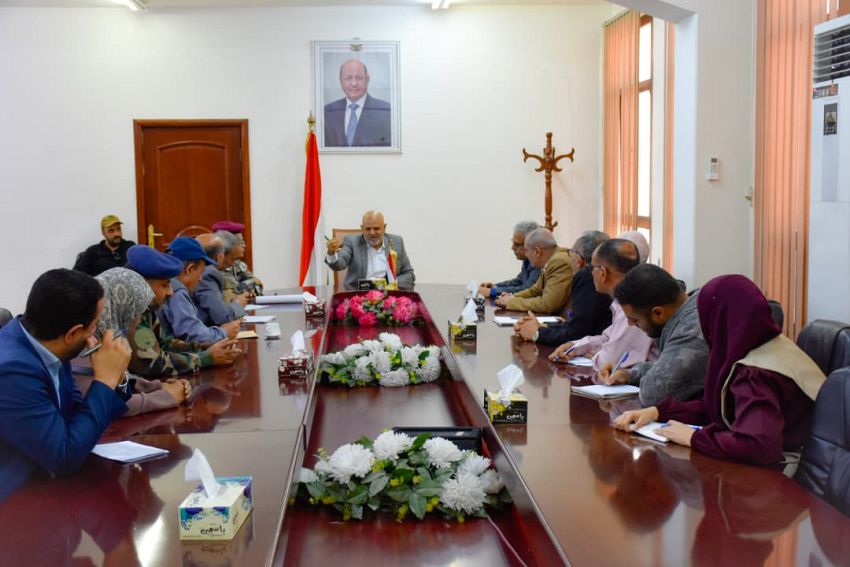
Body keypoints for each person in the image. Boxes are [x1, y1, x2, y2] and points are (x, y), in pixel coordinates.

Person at [614, 275, 826, 469]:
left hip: (791, 474)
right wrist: (658, 412)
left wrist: (693, 438)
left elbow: (757, 445)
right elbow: (719, 407)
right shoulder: (762, 344)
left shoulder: (756, 373)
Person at [0, 268, 130, 501]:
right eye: (95, 325)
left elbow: (76, 419)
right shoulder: (11, 371)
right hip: (15, 504)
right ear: (73, 334)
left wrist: (117, 378)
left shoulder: (49, 345)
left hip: (46, 488)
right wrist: (105, 380)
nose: (97, 334)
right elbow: (65, 458)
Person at [125, 245, 241, 377]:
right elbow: (153, 364)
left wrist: (206, 348)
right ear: (143, 286)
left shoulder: (147, 307)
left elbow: (165, 344)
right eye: (164, 285)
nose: (170, 292)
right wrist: (205, 358)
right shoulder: (132, 312)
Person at [602, 263, 709, 407]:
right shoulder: (687, 308)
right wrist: (631, 375)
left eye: (634, 320)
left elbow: (654, 394)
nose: (630, 325)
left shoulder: (691, 329)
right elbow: (670, 367)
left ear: (658, 313)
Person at [549, 237, 656, 371]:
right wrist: (575, 346)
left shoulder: (634, 304)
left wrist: (597, 355)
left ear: (603, 273)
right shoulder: (622, 299)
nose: (591, 273)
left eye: (592, 268)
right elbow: (607, 338)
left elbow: (608, 363)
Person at [94, 267, 192, 415]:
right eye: (134, 312)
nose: (136, 321)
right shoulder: (87, 345)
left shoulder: (108, 333)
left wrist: (158, 387)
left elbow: (121, 386)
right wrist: (167, 397)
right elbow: (110, 405)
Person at [514, 231, 612, 344]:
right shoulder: (598, 276)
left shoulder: (587, 276)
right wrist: (543, 327)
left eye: (571, 253)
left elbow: (577, 334)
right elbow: (581, 325)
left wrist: (537, 333)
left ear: (578, 260)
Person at [159, 236, 240, 344]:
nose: (201, 278)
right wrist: (224, 332)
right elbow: (195, 335)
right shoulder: (177, 292)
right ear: (190, 269)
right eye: (200, 272)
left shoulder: (167, 284)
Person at [325, 210, 415, 290]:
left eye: (376, 228)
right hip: (358, 294)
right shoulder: (352, 242)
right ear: (362, 228)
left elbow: (409, 274)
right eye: (368, 229)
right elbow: (339, 264)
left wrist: (390, 283)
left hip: (388, 294)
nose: (372, 233)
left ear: (384, 227)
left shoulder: (396, 242)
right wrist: (331, 253)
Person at [495, 228, 573, 315]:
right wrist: (512, 297)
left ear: (537, 251)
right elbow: (535, 290)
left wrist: (511, 303)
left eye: (527, 251)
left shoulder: (559, 262)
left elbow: (547, 304)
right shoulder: (552, 259)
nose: (526, 255)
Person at [324, 59, 391, 147]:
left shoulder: (386, 112)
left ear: (367, 80)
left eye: (359, 78)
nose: (354, 83)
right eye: (348, 78)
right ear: (340, 80)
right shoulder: (327, 112)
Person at [193, 234, 250, 325]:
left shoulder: (199, 271)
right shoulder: (209, 273)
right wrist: (238, 304)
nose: (233, 264)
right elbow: (222, 317)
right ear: (220, 257)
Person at [478, 221, 541, 298]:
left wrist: (493, 292)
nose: (512, 248)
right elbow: (518, 281)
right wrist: (495, 286)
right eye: (513, 242)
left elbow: (527, 289)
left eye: (516, 244)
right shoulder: (527, 260)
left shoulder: (539, 262)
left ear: (530, 244)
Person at [211, 220, 263, 292]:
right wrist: (248, 286)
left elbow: (258, 284)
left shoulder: (237, 263)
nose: (244, 245)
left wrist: (250, 290)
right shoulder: (215, 267)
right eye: (241, 242)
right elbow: (234, 293)